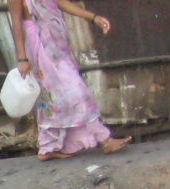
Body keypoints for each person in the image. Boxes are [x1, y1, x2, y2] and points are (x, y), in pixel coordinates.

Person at [10, 0, 132, 160]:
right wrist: (22, 58)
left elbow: (62, 3)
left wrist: (93, 17)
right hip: (40, 46)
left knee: (53, 97)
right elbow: (17, 24)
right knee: (76, 90)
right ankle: (105, 139)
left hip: (57, 44)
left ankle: (48, 147)